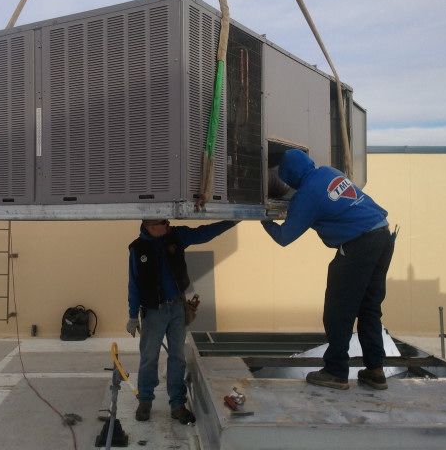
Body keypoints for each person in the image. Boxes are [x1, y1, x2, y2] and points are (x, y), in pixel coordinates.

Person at [261, 149, 396, 391]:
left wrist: (263, 218)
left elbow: (284, 236)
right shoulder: (328, 172)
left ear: (289, 176)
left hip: (359, 244)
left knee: (338, 310)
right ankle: (375, 371)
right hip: (383, 235)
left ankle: (336, 372)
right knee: (369, 308)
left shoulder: (306, 195)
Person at [126, 218, 238, 423]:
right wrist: (133, 315)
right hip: (153, 312)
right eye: (163, 223)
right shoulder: (137, 249)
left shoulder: (176, 236)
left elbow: (204, 233)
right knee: (149, 357)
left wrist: (231, 222)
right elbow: (133, 283)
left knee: (177, 356)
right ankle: (145, 401)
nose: (168, 224)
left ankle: (177, 404)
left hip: (177, 307)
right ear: (150, 227)